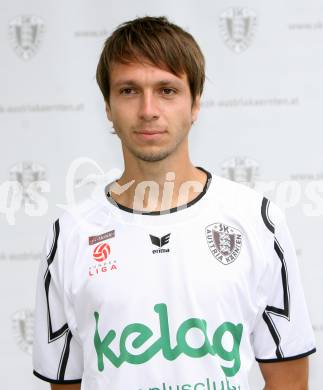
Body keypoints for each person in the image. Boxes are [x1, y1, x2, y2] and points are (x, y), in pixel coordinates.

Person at [32, 16, 316, 390]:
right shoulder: (70, 234)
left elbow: (290, 382)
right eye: (129, 90)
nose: (148, 109)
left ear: (195, 104)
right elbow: (64, 384)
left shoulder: (256, 220)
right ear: (107, 106)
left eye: (167, 90)